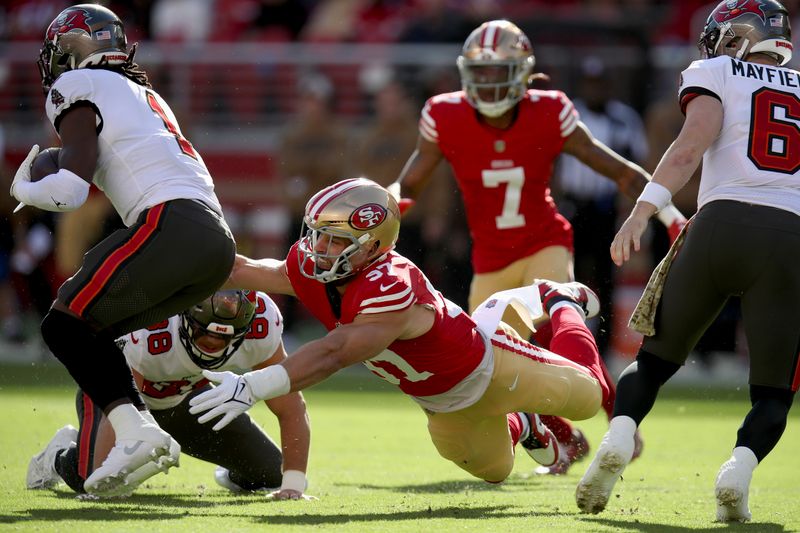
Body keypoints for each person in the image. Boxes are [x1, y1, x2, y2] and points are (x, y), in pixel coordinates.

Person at [392, 19, 686, 474]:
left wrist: (667, 214)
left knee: (557, 329)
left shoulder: (549, 109)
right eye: (480, 72)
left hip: (544, 242)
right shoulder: (443, 113)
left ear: (522, 72)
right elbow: (408, 184)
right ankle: (565, 442)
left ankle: (621, 425)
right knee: (493, 368)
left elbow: (616, 168)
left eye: (498, 71)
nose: (488, 82)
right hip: (489, 260)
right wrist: (373, 208)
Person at [187, 177, 612, 486]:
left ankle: (559, 301)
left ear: (373, 244)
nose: (318, 248)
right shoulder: (311, 263)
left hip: (493, 364)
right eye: (316, 235)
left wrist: (252, 385)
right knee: (496, 472)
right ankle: (524, 422)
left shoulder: (391, 281)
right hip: (443, 404)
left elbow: (337, 352)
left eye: (334, 240)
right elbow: (247, 270)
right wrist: (162, 269)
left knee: (590, 398)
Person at [575, 0, 798, 523]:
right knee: (773, 393)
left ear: (738, 37)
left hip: (720, 225)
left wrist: (640, 213)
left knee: (653, 362)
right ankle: (737, 472)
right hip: (789, 238)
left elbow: (688, 147)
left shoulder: (715, 70)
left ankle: (620, 436)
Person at [10, 4, 236, 496]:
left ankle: (138, 432)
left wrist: (24, 188)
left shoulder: (75, 87)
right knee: (94, 329)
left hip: (170, 222)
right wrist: (59, 158)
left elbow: (70, 192)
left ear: (70, 52)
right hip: (214, 242)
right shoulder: (141, 92)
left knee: (62, 322)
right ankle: (96, 448)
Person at [27, 289, 312, 499]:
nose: (213, 343)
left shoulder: (261, 325)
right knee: (96, 479)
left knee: (271, 473)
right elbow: (121, 401)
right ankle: (59, 454)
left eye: (224, 336)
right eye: (204, 332)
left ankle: (232, 471)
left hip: (186, 399)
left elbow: (290, 405)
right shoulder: (151, 324)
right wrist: (101, 482)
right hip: (118, 399)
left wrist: (294, 485)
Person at [555, 55, 649, 359]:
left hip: (606, 208)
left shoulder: (624, 119)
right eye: (590, 84)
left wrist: (629, 212)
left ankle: (604, 348)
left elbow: (638, 166)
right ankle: (568, 343)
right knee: (568, 277)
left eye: (600, 84)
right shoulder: (570, 114)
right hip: (573, 205)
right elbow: (554, 165)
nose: (595, 90)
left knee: (607, 278)